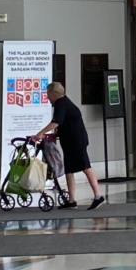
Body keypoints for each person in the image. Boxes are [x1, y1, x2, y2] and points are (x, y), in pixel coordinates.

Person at [30, 81, 105, 210]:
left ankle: (98, 196)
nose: (47, 97)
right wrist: (55, 134)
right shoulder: (63, 103)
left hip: (76, 141)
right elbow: (63, 123)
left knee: (85, 166)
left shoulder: (62, 104)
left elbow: (56, 122)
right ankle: (71, 200)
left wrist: (40, 133)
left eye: (48, 94)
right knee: (69, 170)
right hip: (70, 141)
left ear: (54, 94)